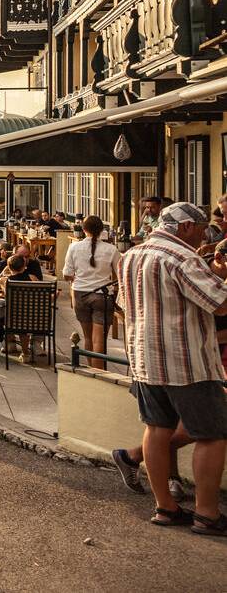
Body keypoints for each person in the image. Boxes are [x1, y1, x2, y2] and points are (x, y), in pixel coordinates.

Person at [114, 201, 227, 534]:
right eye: (202, 228)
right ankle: (207, 514)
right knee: (212, 435)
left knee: (157, 429)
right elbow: (221, 304)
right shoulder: (183, 258)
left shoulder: (132, 256)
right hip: (187, 362)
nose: (205, 235)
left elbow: (124, 304)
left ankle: (165, 507)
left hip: (145, 360)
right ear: (186, 227)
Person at [64, 216, 119, 371]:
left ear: (83, 229)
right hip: (102, 295)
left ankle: (92, 372)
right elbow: (121, 273)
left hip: (80, 294)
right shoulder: (111, 249)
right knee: (99, 339)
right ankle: (99, 372)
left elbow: (67, 274)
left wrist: (77, 278)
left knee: (88, 337)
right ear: (102, 230)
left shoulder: (74, 247)